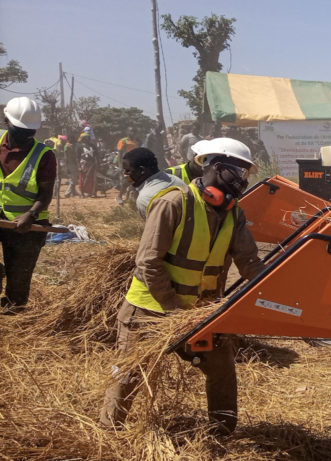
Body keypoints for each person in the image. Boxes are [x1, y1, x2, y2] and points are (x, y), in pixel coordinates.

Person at [99, 137, 264, 434]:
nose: (242, 180)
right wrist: (174, 310)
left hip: (199, 312)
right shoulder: (173, 203)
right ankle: (108, 433)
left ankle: (222, 434)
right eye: (238, 172)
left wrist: (280, 293)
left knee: (222, 370)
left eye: (246, 174)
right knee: (129, 373)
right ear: (214, 167)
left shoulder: (233, 213)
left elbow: (250, 262)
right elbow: (148, 262)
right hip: (150, 309)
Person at [0, 97, 56, 312]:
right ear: (7, 121)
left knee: (18, 282)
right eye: (21, 130)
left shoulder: (44, 155)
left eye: (30, 131)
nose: (26, 136)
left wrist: (30, 214)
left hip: (28, 227)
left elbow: (45, 194)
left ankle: (13, 312)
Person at [121, 147, 185, 219]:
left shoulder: (144, 198)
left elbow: (157, 229)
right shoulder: (176, 179)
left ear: (141, 171)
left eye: (127, 170)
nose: (125, 174)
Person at [115, 131, 139, 205]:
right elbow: (120, 154)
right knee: (127, 181)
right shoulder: (123, 141)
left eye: (134, 132)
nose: (133, 133)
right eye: (132, 132)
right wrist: (120, 166)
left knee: (135, 182)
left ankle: (135, 201)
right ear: (128, 133)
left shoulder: (135, 142)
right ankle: (119, 197)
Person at [76, 133, 98, 197]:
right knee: (83, 178)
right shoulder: (79, 146)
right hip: (83, 164)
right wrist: (79, 166)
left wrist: (97, 163)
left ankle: (93, 193)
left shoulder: (93, 146)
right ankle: (82, 193)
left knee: (93, 179)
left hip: (92, 163)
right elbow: (77, 157)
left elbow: (96, 155)